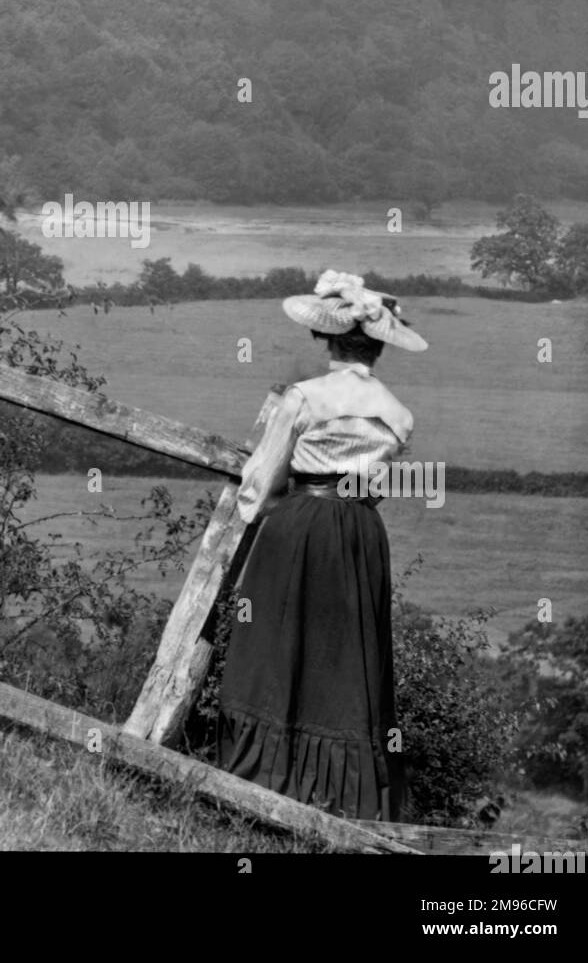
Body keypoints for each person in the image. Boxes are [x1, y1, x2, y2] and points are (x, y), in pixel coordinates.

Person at [215, 269, 428, 823]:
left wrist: (266, 515)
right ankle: (342, 796)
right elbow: (374, 487)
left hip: (300, 523)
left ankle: (264, 780)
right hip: (359, 533)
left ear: (327, 338)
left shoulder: (304, 397)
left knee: (275, 643)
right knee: (346, 654)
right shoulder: (399, 415)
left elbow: (260, 482)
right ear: (379, 343)